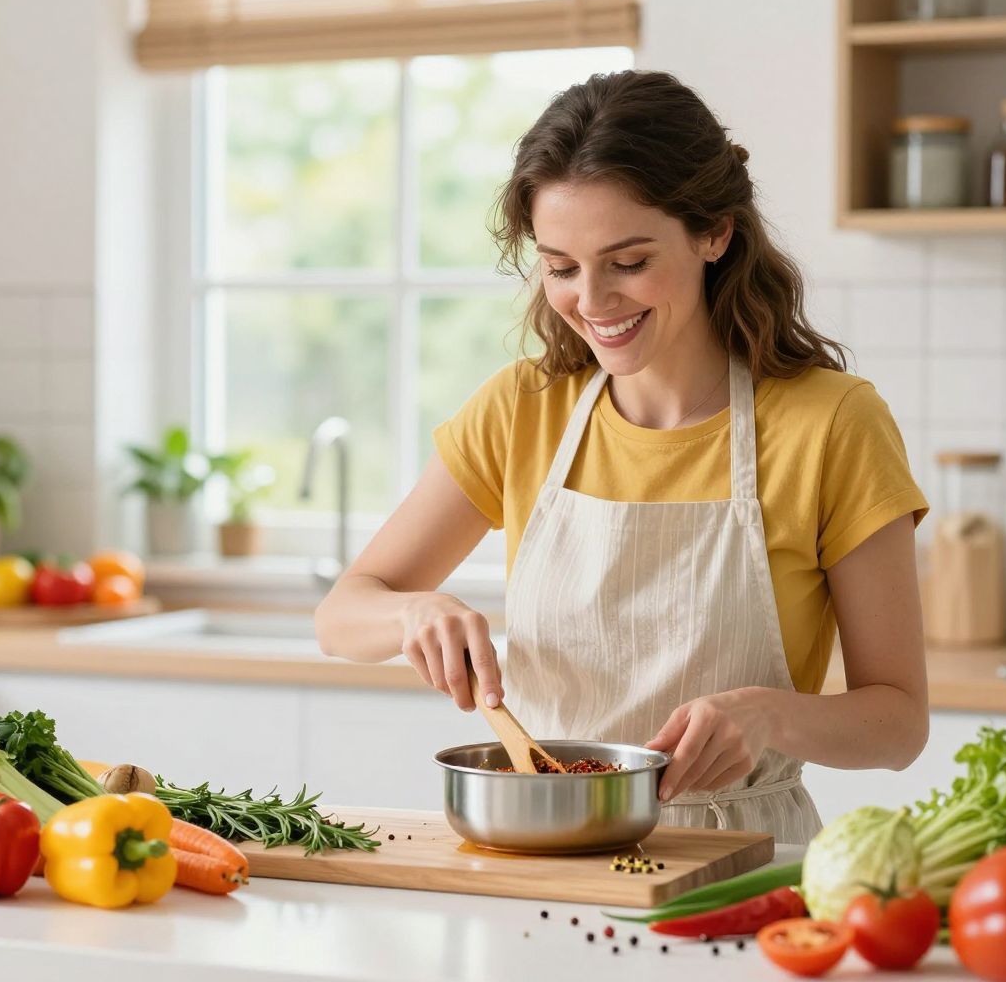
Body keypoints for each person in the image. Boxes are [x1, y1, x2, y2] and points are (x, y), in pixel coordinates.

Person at [314, 70, 928, 843]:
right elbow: (341, 616)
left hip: (739, 859)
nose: (593, 302)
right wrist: (414, 611)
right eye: (562, 266)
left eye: (629, 262)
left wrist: (771, 717)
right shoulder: (521, 410)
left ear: (714, 232)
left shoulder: (833, 424)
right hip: (541, 851)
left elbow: (899, 723)